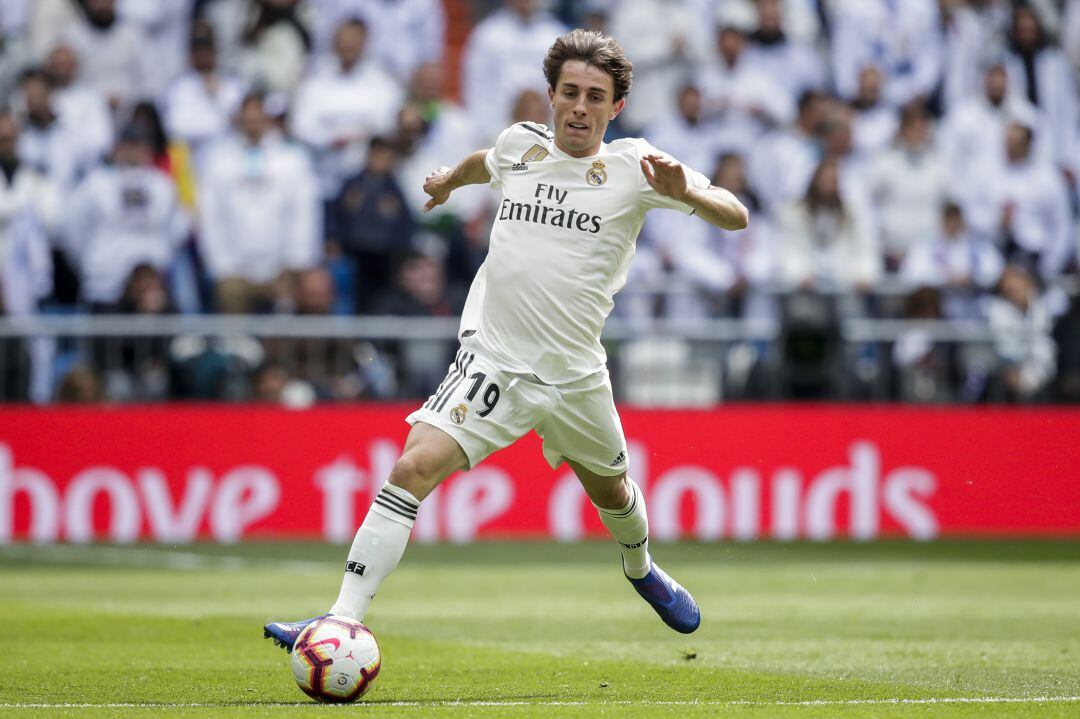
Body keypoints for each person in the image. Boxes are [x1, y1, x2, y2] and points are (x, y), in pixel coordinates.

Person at [264, 29, 748, 650]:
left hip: (575, 377)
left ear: (615, 107)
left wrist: (693, 195)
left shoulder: (637, 168)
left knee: (614, 492)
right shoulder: (521, 145)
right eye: (569, 92)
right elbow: (482, 164)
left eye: (594, 96)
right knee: (412, 466)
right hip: (494, 362)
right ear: (550, 95)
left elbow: (736, 213)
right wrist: (449, 182)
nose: (579, 106)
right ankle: (341, 617)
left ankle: (641, 568)